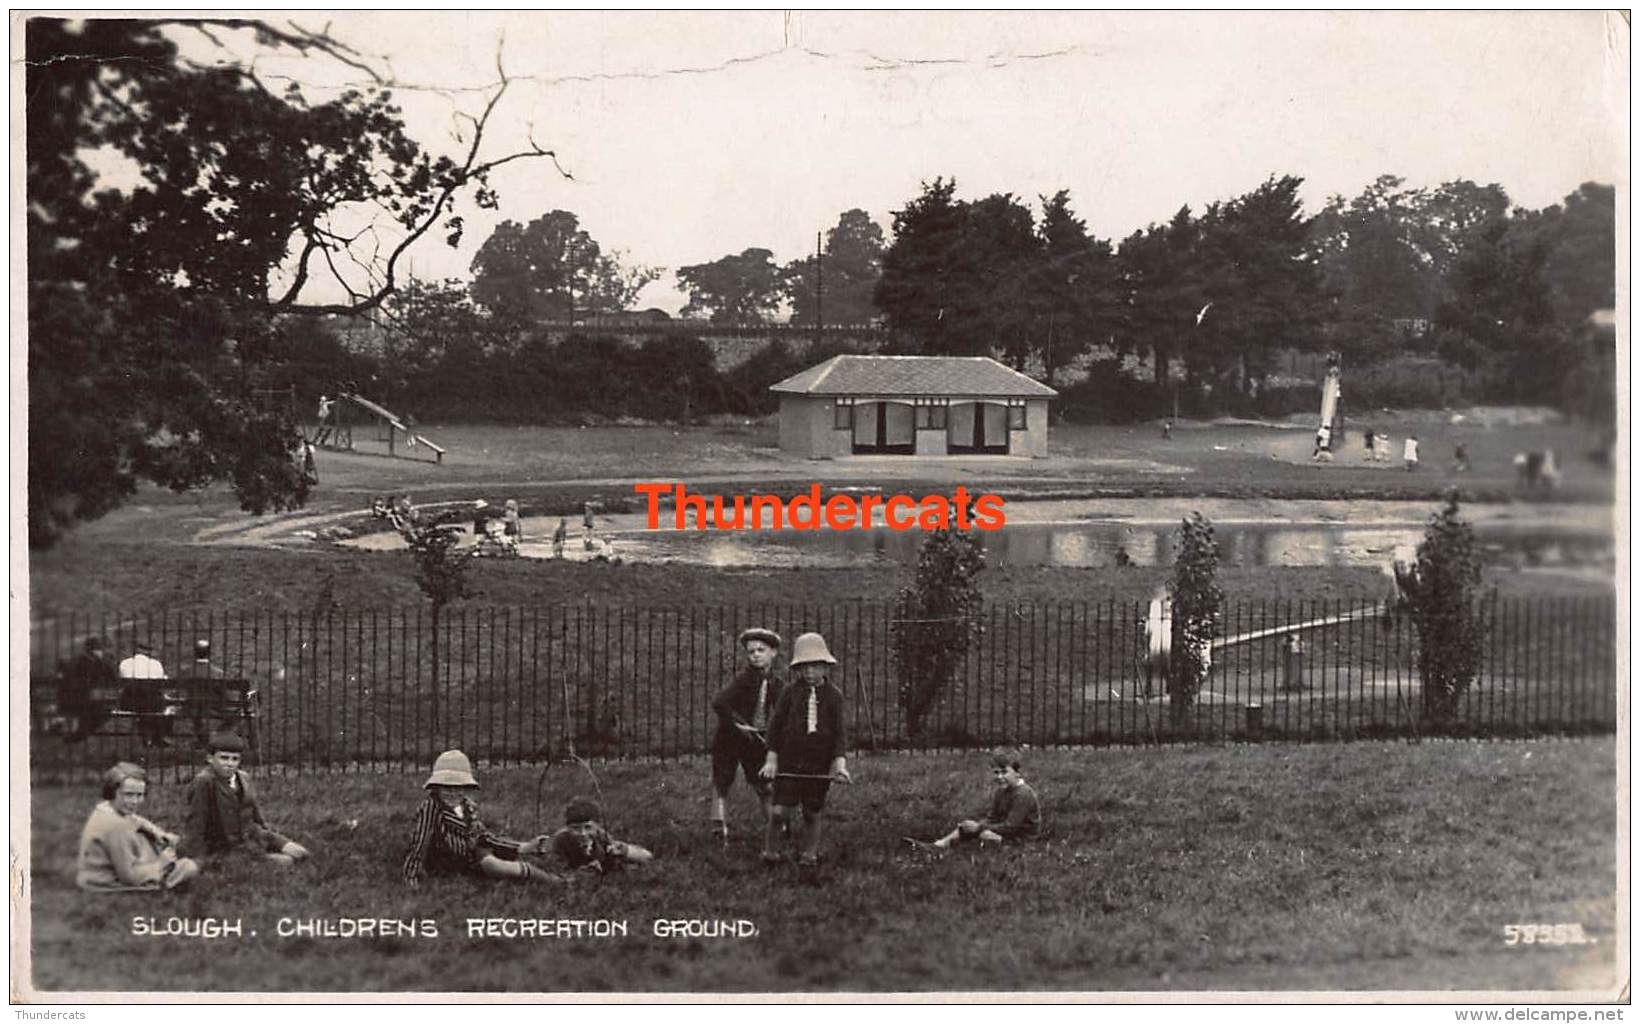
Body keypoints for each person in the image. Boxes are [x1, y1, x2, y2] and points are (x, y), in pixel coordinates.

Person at [759, 632, 850, 882]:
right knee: (778, 811)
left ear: (825, 666)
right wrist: (772, 759)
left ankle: (810, 854)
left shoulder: (835, 697)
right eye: (804, 667)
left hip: (817, 765)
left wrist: (839, 765)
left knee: (812, 811)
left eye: (816, 666)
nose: (810, 672)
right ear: (797, 668)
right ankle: (770, 851)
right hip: (789, 761)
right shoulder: (789, 693)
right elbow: (775, 728)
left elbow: (840, 736)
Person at [402, 750, 560, 887]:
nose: (452, 792)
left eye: (458, 787)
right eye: (445, 787)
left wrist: (523, 847)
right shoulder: (431, 808)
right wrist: (411, 875)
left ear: (466, 788)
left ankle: (550, 879)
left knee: (495, 862)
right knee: (494, 865)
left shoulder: (468, 807)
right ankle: (547, 878)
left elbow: (483, 836)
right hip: (448, 861)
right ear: (436, 787)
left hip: (473, 854)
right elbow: (420, 842)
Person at [180, 732, 309, 866]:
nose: (230, 764)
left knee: (301, 854)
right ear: (210, 758)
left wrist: (268, 837)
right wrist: (196, 859)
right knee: (287, 861)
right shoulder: (205, 782)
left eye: (235, 759)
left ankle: (262, 853)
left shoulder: (243, 777)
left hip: (253, 835)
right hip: (226, 845)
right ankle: (252, 861)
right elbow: (196, 823)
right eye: (224, 758)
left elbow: (255, 812)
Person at [709, 628, 786, 840]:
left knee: (763, 781)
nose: (756, 655)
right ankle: (718, 824)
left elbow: (781, 709)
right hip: (730, 737)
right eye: (751, 652)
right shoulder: (743, 680)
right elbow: (719, 702)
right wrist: (738, 724)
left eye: (761, 650)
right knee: (723, 779)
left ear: (773, 652)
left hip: (754, 739)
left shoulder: (776, 683)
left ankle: (773, 826)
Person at [78, 763, 200, 892]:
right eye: (128, 794)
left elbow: (136, 820)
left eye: (139, 795)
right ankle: (162, 880)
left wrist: (159, 833)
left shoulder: (108, 809)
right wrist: (160, 864)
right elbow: (128, 876)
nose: (135, 801)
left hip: (95, 876)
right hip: (106, 880)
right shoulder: (116, 826)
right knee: (189, 867)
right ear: (112, 792)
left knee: (156, 844)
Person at [909, 749, 1042, 851]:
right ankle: (938, 845)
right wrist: (975, 825)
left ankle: (964, 847)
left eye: (1004, 772)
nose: (1000, 777)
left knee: (984, 834)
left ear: (1017, 772)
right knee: (967, 828)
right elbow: (992, 817)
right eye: (996, 773)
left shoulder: (1023, 794)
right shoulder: (1001, 791)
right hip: (1004, 832)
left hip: (1020, 840)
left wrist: (979, 827)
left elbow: (1011, 826)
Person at [550, 796, 654, 873]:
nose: (582, 833)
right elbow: (557, 869)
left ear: (597, 826)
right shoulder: (561, 840)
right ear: (567, 828)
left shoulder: (600, 836)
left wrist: (623, 850)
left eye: (588, 827)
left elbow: (647, 856)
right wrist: (581, 872)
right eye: (575, 829)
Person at [60, 636, 117, 743]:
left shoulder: (76, 660)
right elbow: (113, 677)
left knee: (92, 712)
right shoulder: (100, 661)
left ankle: (80, 734)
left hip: (74, 698)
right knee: (103, 711)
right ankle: (81, 734)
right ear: (98, 649)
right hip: (90, 700)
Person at [117, 639, 171, 748]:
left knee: (144, 703)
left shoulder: (125, 663)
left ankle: (147, 737)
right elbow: (161, 684)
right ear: (149, 652)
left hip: (129, 703)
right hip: (152, 703)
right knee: (158, 703)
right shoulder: (155, 664)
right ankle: (157, 737)